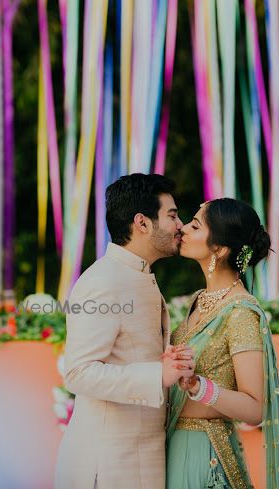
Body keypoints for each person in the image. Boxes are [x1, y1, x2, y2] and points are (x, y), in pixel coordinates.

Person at [54, 173, 195, 489]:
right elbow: (78, 372)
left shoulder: (138, 274)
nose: (180, 225)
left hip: (138, 461)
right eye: (172, 216)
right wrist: (157, 374)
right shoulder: (102, 282)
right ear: (142, 223)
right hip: (106, 467)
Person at [166, 198, 279, 489]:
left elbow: (255, 408)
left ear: (219, 249)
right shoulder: (199, 300)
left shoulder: (240, 312)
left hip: (205, 453)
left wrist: (199, 386)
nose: (183, 229)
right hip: (175, 444)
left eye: (195, 226)